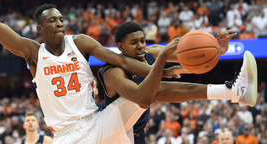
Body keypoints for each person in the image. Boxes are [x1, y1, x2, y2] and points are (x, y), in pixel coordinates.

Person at [0, 0, 184, 143]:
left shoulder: (79, 42)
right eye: (52, 20)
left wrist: (157, 71)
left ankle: (214, 91)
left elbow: (120, 60)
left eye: (61, 19)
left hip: (95, 122)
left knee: (145, 94)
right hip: (65, 134)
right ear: (40, 28)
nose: (59, 22)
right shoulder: (34, 52)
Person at [98, 21, 258, 144]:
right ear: (121, 46)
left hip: (136, 132)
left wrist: (217, 50)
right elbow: (142, 97)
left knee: (156, 87)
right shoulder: (113, 72)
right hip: (111, 132)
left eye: (142, 41)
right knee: (154, 88)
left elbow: (188, 55)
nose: (140, 46)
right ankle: (231, 91)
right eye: (134, 43)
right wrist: (163, 58)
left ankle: (233, 92)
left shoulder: (148, 54)